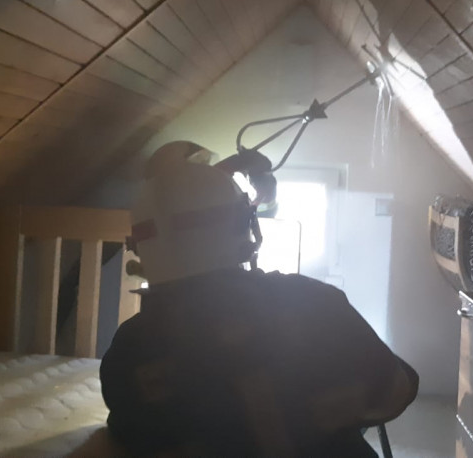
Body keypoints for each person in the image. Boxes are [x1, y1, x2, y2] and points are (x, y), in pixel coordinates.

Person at [100, 141, 419, 457]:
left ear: (140, 247)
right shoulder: (310, 301)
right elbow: (395, 391)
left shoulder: (129, 348)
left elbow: (131, 436)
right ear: (242, 225)